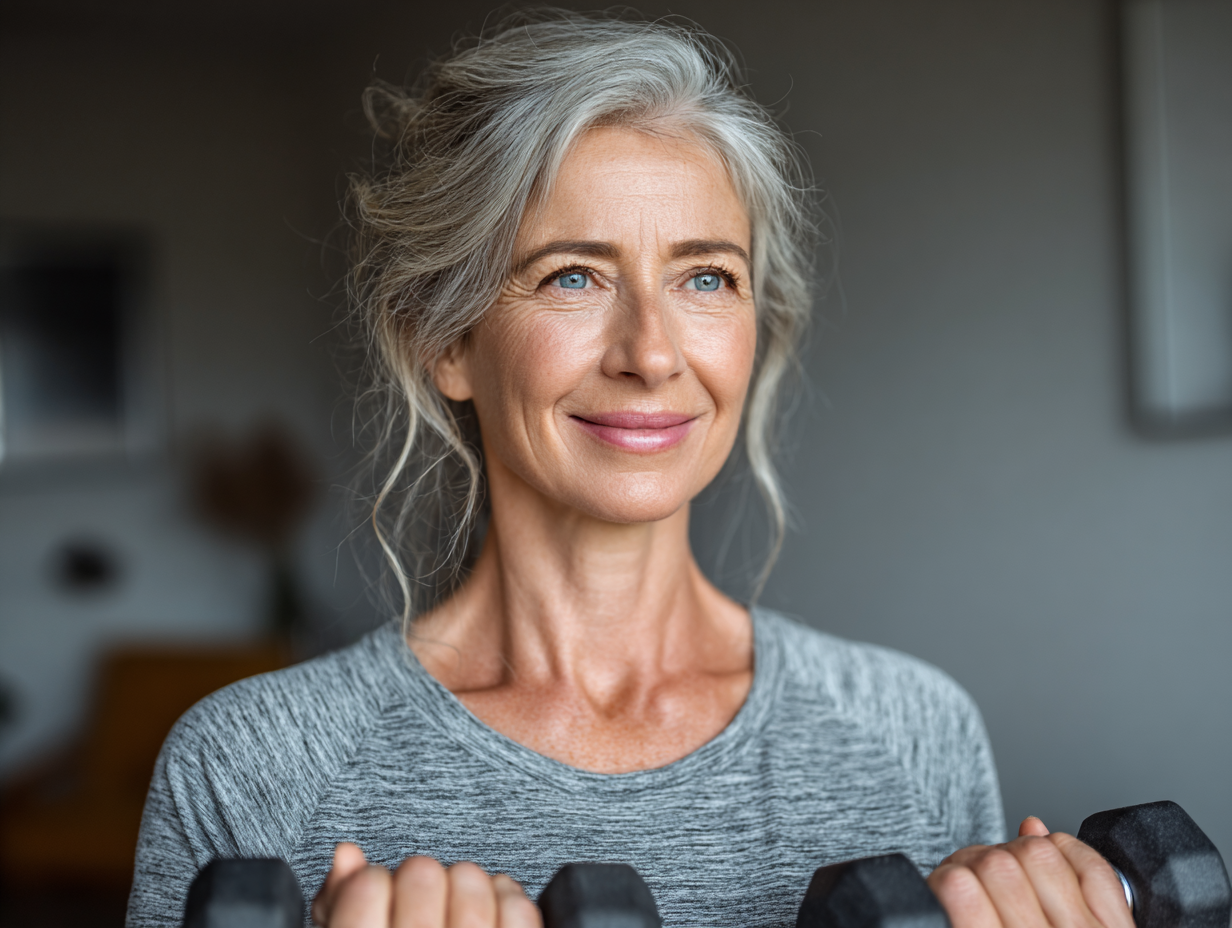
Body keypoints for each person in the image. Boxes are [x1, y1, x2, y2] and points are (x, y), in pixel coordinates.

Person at [126, 12, 1134, 928]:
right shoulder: (253, 766)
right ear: (444, 339)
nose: (651, 353)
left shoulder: (911, 728)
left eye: (705, 278)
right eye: (573, 275)